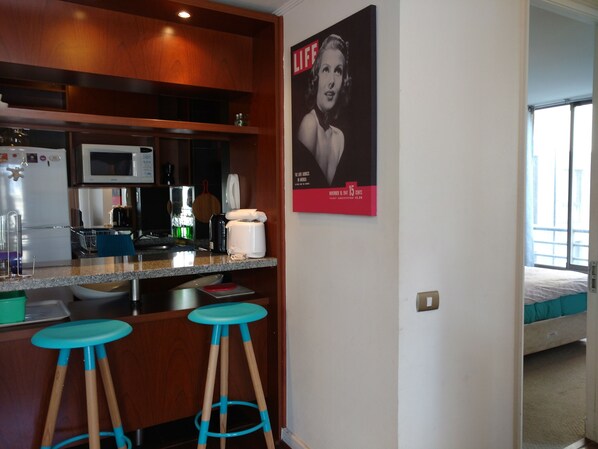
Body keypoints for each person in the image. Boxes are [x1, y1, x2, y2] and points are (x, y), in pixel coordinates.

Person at [296, 34, 351, 186]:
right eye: (326, 69)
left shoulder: (339, 137)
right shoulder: (309, 124)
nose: (331, 81)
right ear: (317, 77)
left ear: (343, 81)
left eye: (338, 71)